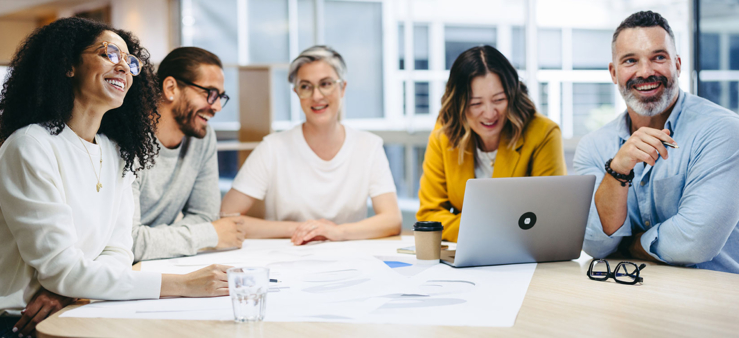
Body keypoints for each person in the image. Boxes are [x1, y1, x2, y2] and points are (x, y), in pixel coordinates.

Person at [0, 18, 229, 338]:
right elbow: (61, 270)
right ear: (68, 64)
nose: (123, 66)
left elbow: (118, 252)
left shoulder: (117, 152)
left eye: (130, 61)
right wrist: (183, 284)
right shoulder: (30, 146)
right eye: (110, 53)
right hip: (11, 323)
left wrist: (72, 287)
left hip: (78, 308)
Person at [575, 11, 739, 274]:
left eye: (658, 57)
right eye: (630, 60)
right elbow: (596, 244)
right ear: (613, 73)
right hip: (632, 295)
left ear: (678, 64)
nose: (646, 71)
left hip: (717, 299)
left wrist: (629, 245)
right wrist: (617, 169)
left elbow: (694, 243)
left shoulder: (722, 131)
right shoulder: (594, 146)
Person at [220, 45, 401, 245]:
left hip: (351, 258)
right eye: (306, 86)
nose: (316, 96)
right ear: (296, 92)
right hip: (290, 256)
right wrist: (303, 229)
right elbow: (227, 217)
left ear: (342, 88)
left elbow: (392, 220)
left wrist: (336, 232)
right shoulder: (272, 148)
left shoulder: (368, 146)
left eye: (326, 84)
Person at [416, 45, 567, 242]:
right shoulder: (444, 133)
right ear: (458, 104)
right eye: (476, 103)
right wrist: (491, 227)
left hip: (524, 256)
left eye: (499, 100)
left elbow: (550, 216)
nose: (489, 113)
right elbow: (429, 216)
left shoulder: (543, 134)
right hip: (468, 253)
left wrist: (467, 225)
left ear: (512, 95)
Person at [130, 47, 244, 262]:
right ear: (171, 88)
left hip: (163, 263)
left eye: (221, 96)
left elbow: (204, 216)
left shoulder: (203, 138)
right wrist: (210, 235)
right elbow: (128, 241)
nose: (217, 107)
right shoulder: (127, 140)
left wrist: (159, 242)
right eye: (209, 93)